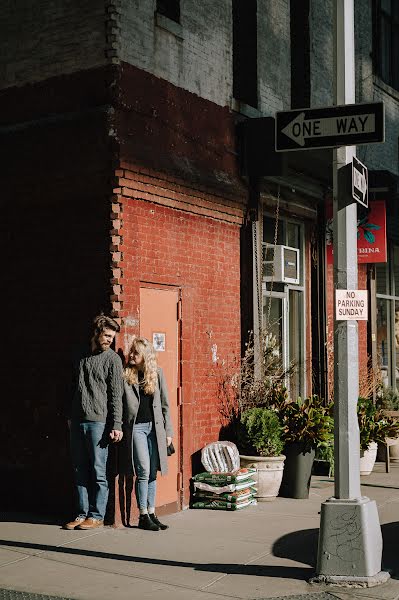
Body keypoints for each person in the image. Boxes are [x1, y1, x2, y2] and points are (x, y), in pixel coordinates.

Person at [64, 314, 124, 530]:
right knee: (79, 469)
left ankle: (96, 515)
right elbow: (71, 388)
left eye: (112, 337)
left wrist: (116, 424)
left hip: (99, 422)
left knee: (99, 470)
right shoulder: (80, 355)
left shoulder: (113, 360)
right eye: (107, 335)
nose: (110, 340)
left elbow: (116, 395)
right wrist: (69, 416)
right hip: (78, 420)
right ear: (97, 332)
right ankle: (81, 514)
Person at [123, 336, 173, 531]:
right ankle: (142, 515)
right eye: (131, 352)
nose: (132, 355)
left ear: (145, 356)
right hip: (137, 428)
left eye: (136, 352)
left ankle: (152, 512)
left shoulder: (157, 373)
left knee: (152, 472)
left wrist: (168, 432)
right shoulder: (127, 375)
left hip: (155, 429)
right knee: (143, 471)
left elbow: (166, 406)